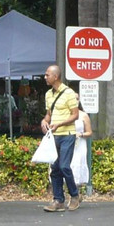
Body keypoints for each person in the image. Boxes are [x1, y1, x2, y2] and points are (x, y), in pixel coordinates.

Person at [40, 64, 82, 212]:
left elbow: (75, 114)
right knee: (55, 168)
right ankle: (58, 200)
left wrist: (60, 124)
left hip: (67, 134)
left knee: (64, 166)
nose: (45, 77)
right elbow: (49, 114)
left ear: (55, 76)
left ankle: (75, 195)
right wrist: (45, 121)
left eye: (47, 75)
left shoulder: (69, 93)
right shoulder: (48, 94)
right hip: (54, 136)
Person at [71, 110, 93, 192]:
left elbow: (89, 132)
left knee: (76, 166)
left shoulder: (83, 115)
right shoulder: (64, 113)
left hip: (79, 144)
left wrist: (81, 134)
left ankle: (75, 193)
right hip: (68, 143)